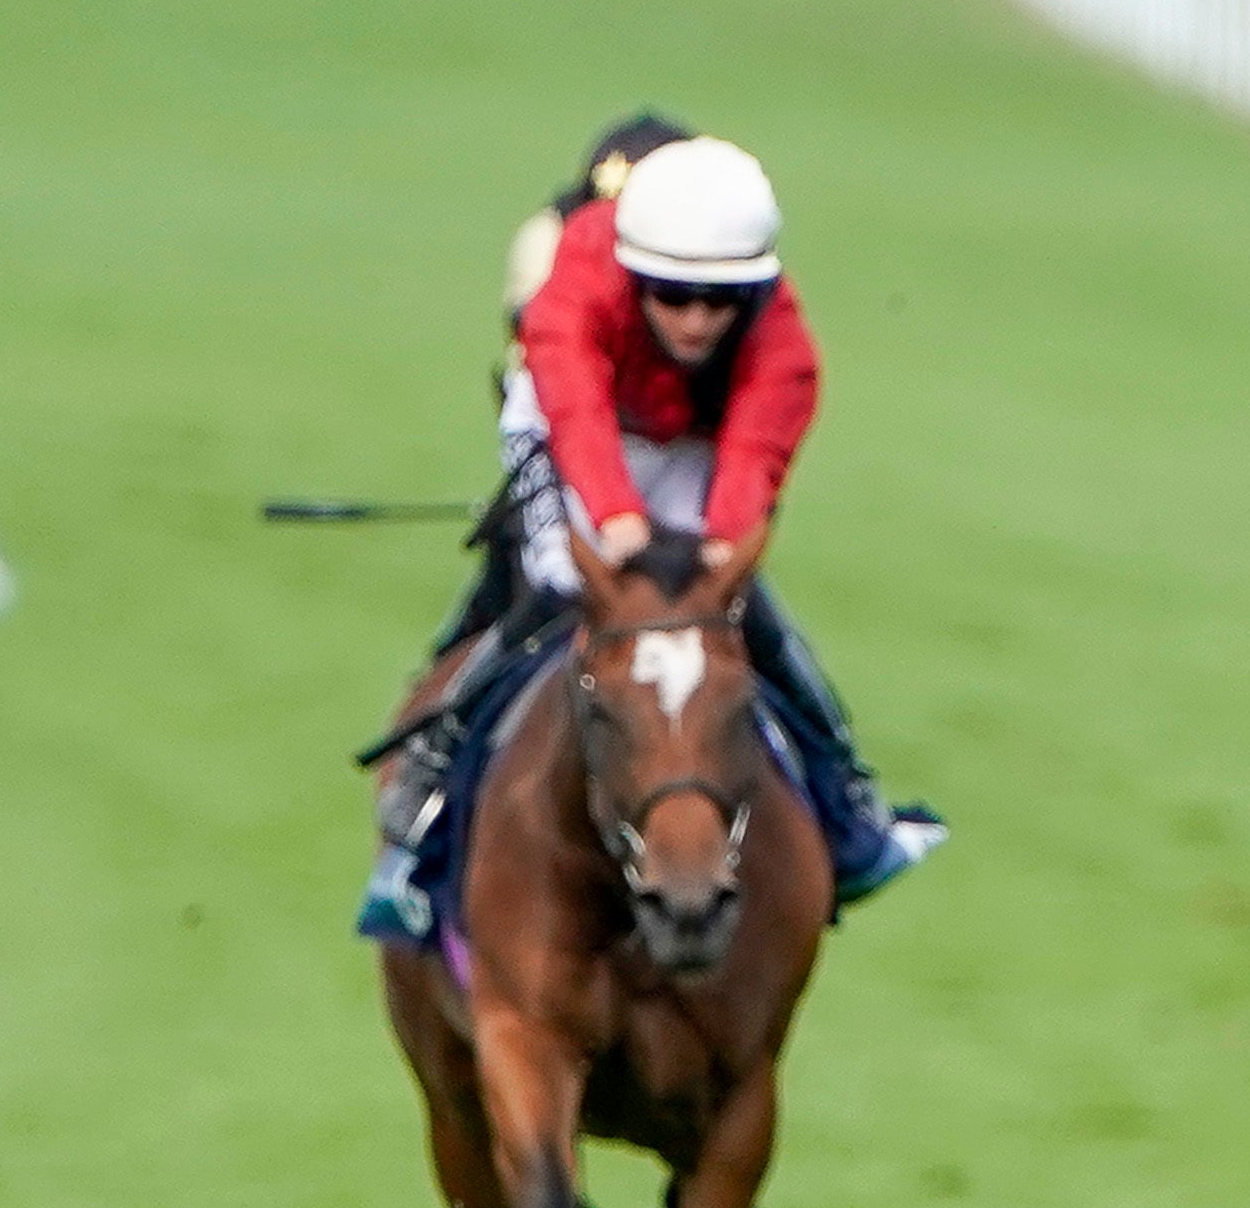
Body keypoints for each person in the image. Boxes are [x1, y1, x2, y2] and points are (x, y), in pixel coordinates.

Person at [372, 123, 939, 910]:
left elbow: (755, 447)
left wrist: (721, 545)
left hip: (698, 439)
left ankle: (847, 800)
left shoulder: (783, 343)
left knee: (728, 606)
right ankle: (429, 784)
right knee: (559, 584)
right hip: (578, 415)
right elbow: (572, 404)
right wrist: (611, 513)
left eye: (722, 300)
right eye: (673, 296)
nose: (698, 320)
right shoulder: (582, 278)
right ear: (634, 275)